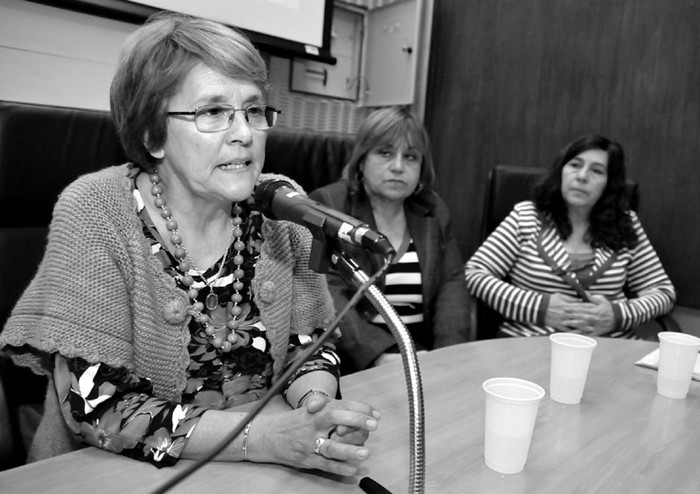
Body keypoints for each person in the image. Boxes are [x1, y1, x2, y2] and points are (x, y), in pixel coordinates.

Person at [0, 12, 379, 476]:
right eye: (213, 111)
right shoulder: (96, 211)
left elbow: (310, 345)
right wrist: (263, 438)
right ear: (151, 134)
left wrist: (317, 411)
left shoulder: (282, 206)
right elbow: (96, 408)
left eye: (254, 110)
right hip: (113, 473)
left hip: (262, 471)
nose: (244, 133)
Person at [465, 134, 676, 338]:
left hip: (607, 347)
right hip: (530, 341)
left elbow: (662, 292)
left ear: (609, 183)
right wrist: (539, 308)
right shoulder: (527, 216)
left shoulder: (625, 224)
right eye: (575, 165)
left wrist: (619, 315)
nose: (582, 176)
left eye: (597, 171)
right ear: (561, 171)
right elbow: (476, 274)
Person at [309, 106, 471, 373]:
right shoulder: (329, 205)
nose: (398, 166)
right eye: (385, 153)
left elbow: (452, 285)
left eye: (410, 157)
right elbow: (327, 291)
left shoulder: (433, 210)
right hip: (357, 358)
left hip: (425, 354)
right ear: (361, 159)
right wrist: (379, 355)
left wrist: (448, 355)